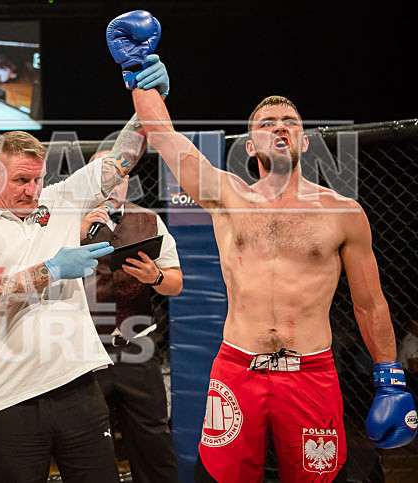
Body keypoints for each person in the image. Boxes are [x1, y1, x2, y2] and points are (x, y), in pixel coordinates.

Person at [105, 9, 417, 481]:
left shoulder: (344, 213)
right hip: (238, 368)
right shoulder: (228, 195)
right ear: (250, 144)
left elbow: (370, 303)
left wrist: (389, 375)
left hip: (311, 370)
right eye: (267, 122)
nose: (279, 127)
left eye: (289, 121)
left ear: (305, 141)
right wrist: (139, 73)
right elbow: (166, 140)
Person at [0, 126, 152, 482]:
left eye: (38, 179)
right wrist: (51, 269)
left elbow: (123, 158)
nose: (32, 190)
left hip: (79, 386)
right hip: (12, 398)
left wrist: (147, 92)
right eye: (21, 180)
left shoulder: (61, 200)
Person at [80, 151, 182, 482]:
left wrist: (155, 277)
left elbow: (176, 284)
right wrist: (74, 236)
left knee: (152, 438)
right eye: (103, 174)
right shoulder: (65, 222)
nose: (112, 183)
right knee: (86, 443)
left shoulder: (149, 221)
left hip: (138, 346)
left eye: (119, 175)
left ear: (128, 181)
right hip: (85, 349)